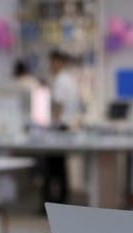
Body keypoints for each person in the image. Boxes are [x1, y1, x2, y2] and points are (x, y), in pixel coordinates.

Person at [43, 51, 80, 204]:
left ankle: (54, 199)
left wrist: (52, 123)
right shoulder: (69, 79)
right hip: (67, 125)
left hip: (59, 126)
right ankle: (62, 197)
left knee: (53, 167)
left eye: (52, 62)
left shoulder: (60, 80)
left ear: (59, 62)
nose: (50, 66)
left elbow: (59, 103)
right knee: (60, 166)